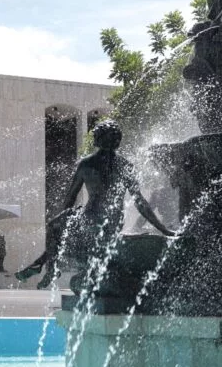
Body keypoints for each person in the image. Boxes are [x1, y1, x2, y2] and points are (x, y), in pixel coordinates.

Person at [15, 120, 175, 289]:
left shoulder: (87, 164)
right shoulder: (125, 166)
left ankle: (47, 266)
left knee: (55, 226)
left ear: (97, 139)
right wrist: (162, 228)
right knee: (61, 226)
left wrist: (65, 221)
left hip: (90, 218)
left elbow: (70, 198)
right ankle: (45, 266)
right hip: (112, 221)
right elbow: (140, 202)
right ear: (117, 141)